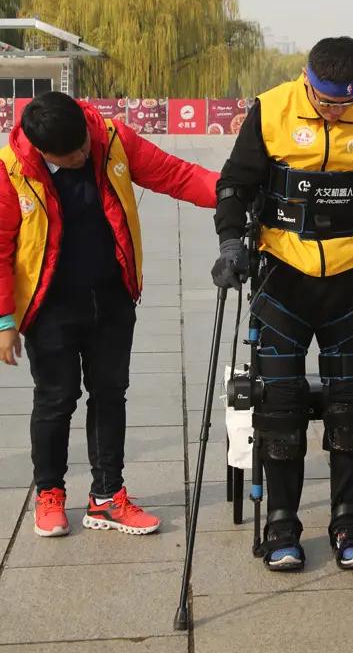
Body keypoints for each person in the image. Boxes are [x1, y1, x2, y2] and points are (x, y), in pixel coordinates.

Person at [212, 36, 353, 571]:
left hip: (352, 274)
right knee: (279, 402)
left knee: (350, 402)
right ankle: (282, 523)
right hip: (283, 273)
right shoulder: (271, 108)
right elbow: (234, 185)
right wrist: (229, 245)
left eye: (346, 102)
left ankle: (348, 521)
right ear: (306, 79)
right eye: (325, 101)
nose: (336, 111)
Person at [0, 92, 219, 538]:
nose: (83, 156)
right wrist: (5, 322)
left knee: (110, 394)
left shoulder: (110, 138)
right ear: (42, 151)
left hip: (112, 297)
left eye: (83, 144)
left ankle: (107, 497)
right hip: (50, 307)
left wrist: (232, 193)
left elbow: (174, 174)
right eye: (71, 155)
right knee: (56, 398)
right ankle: (49, 493)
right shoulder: (10, 170)